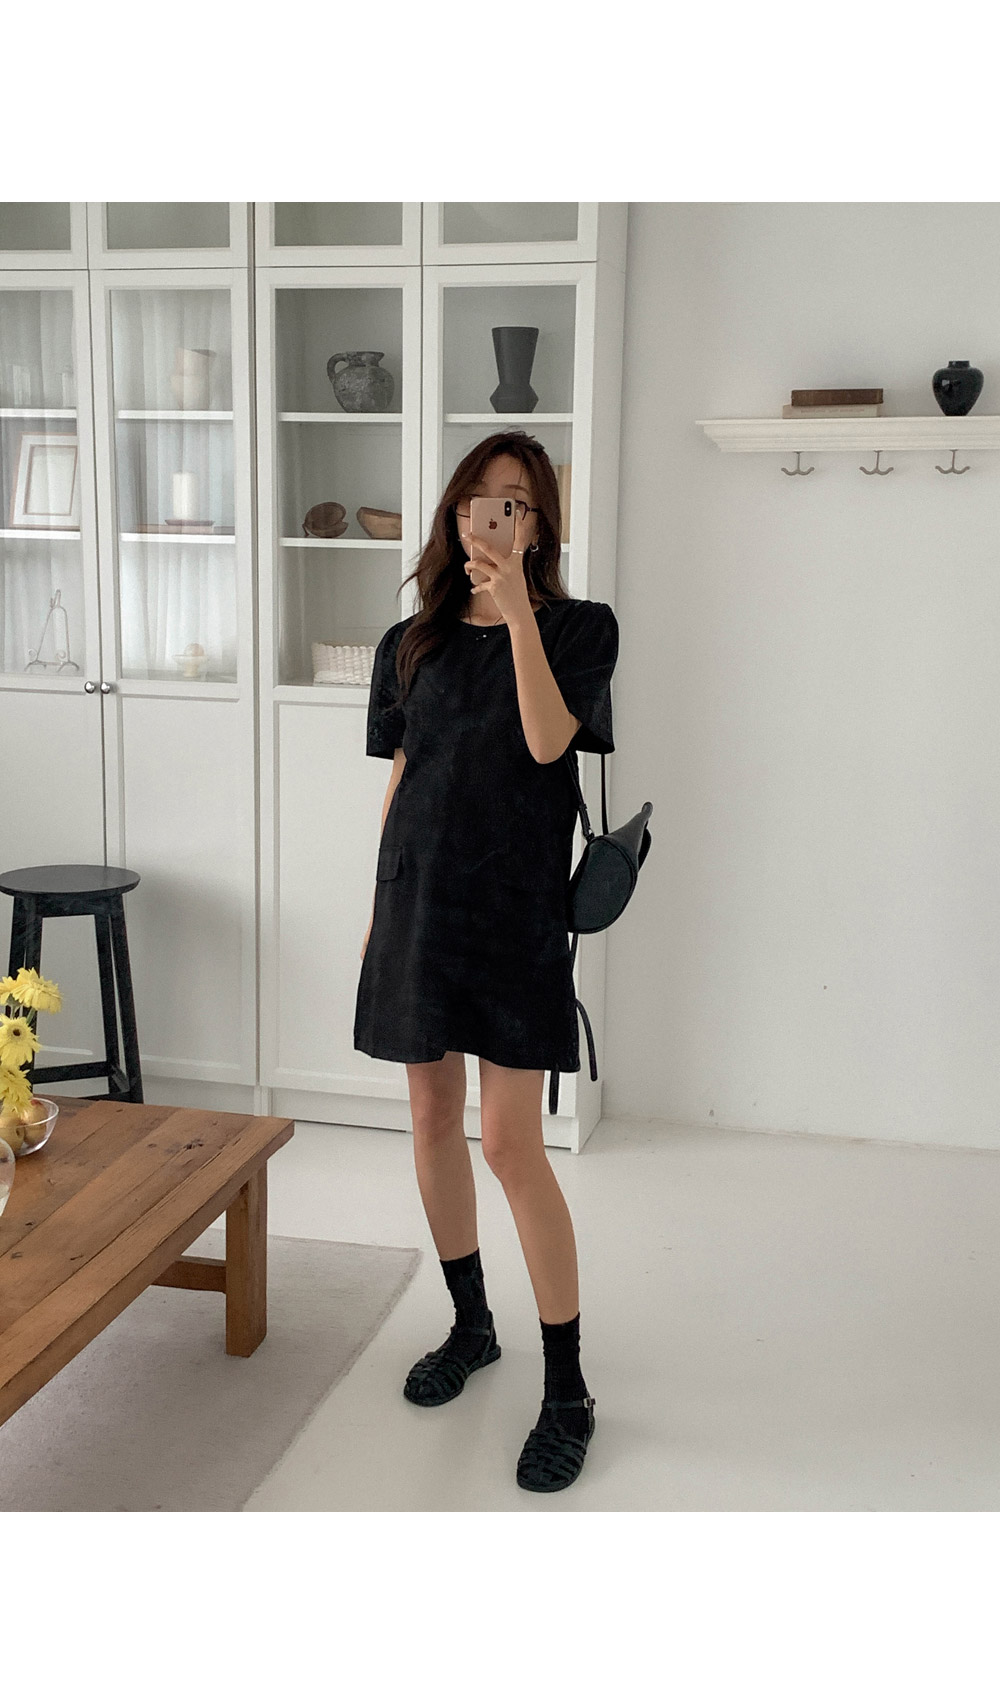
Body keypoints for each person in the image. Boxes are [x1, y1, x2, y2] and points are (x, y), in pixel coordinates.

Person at [354, 429, 619, 1492]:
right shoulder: (408, 640)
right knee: (430, 1118)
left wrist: (515, 615)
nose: (493, 514)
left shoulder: (581, 629)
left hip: (513, 911)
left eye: (515, 500)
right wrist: (377, 909)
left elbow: (550, 741)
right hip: (418, 900)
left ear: (539, 523)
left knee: (511, 1144)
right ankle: (471, 1326)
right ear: (456, 513)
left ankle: (569, 1389)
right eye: (478, 497)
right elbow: (404, 774)